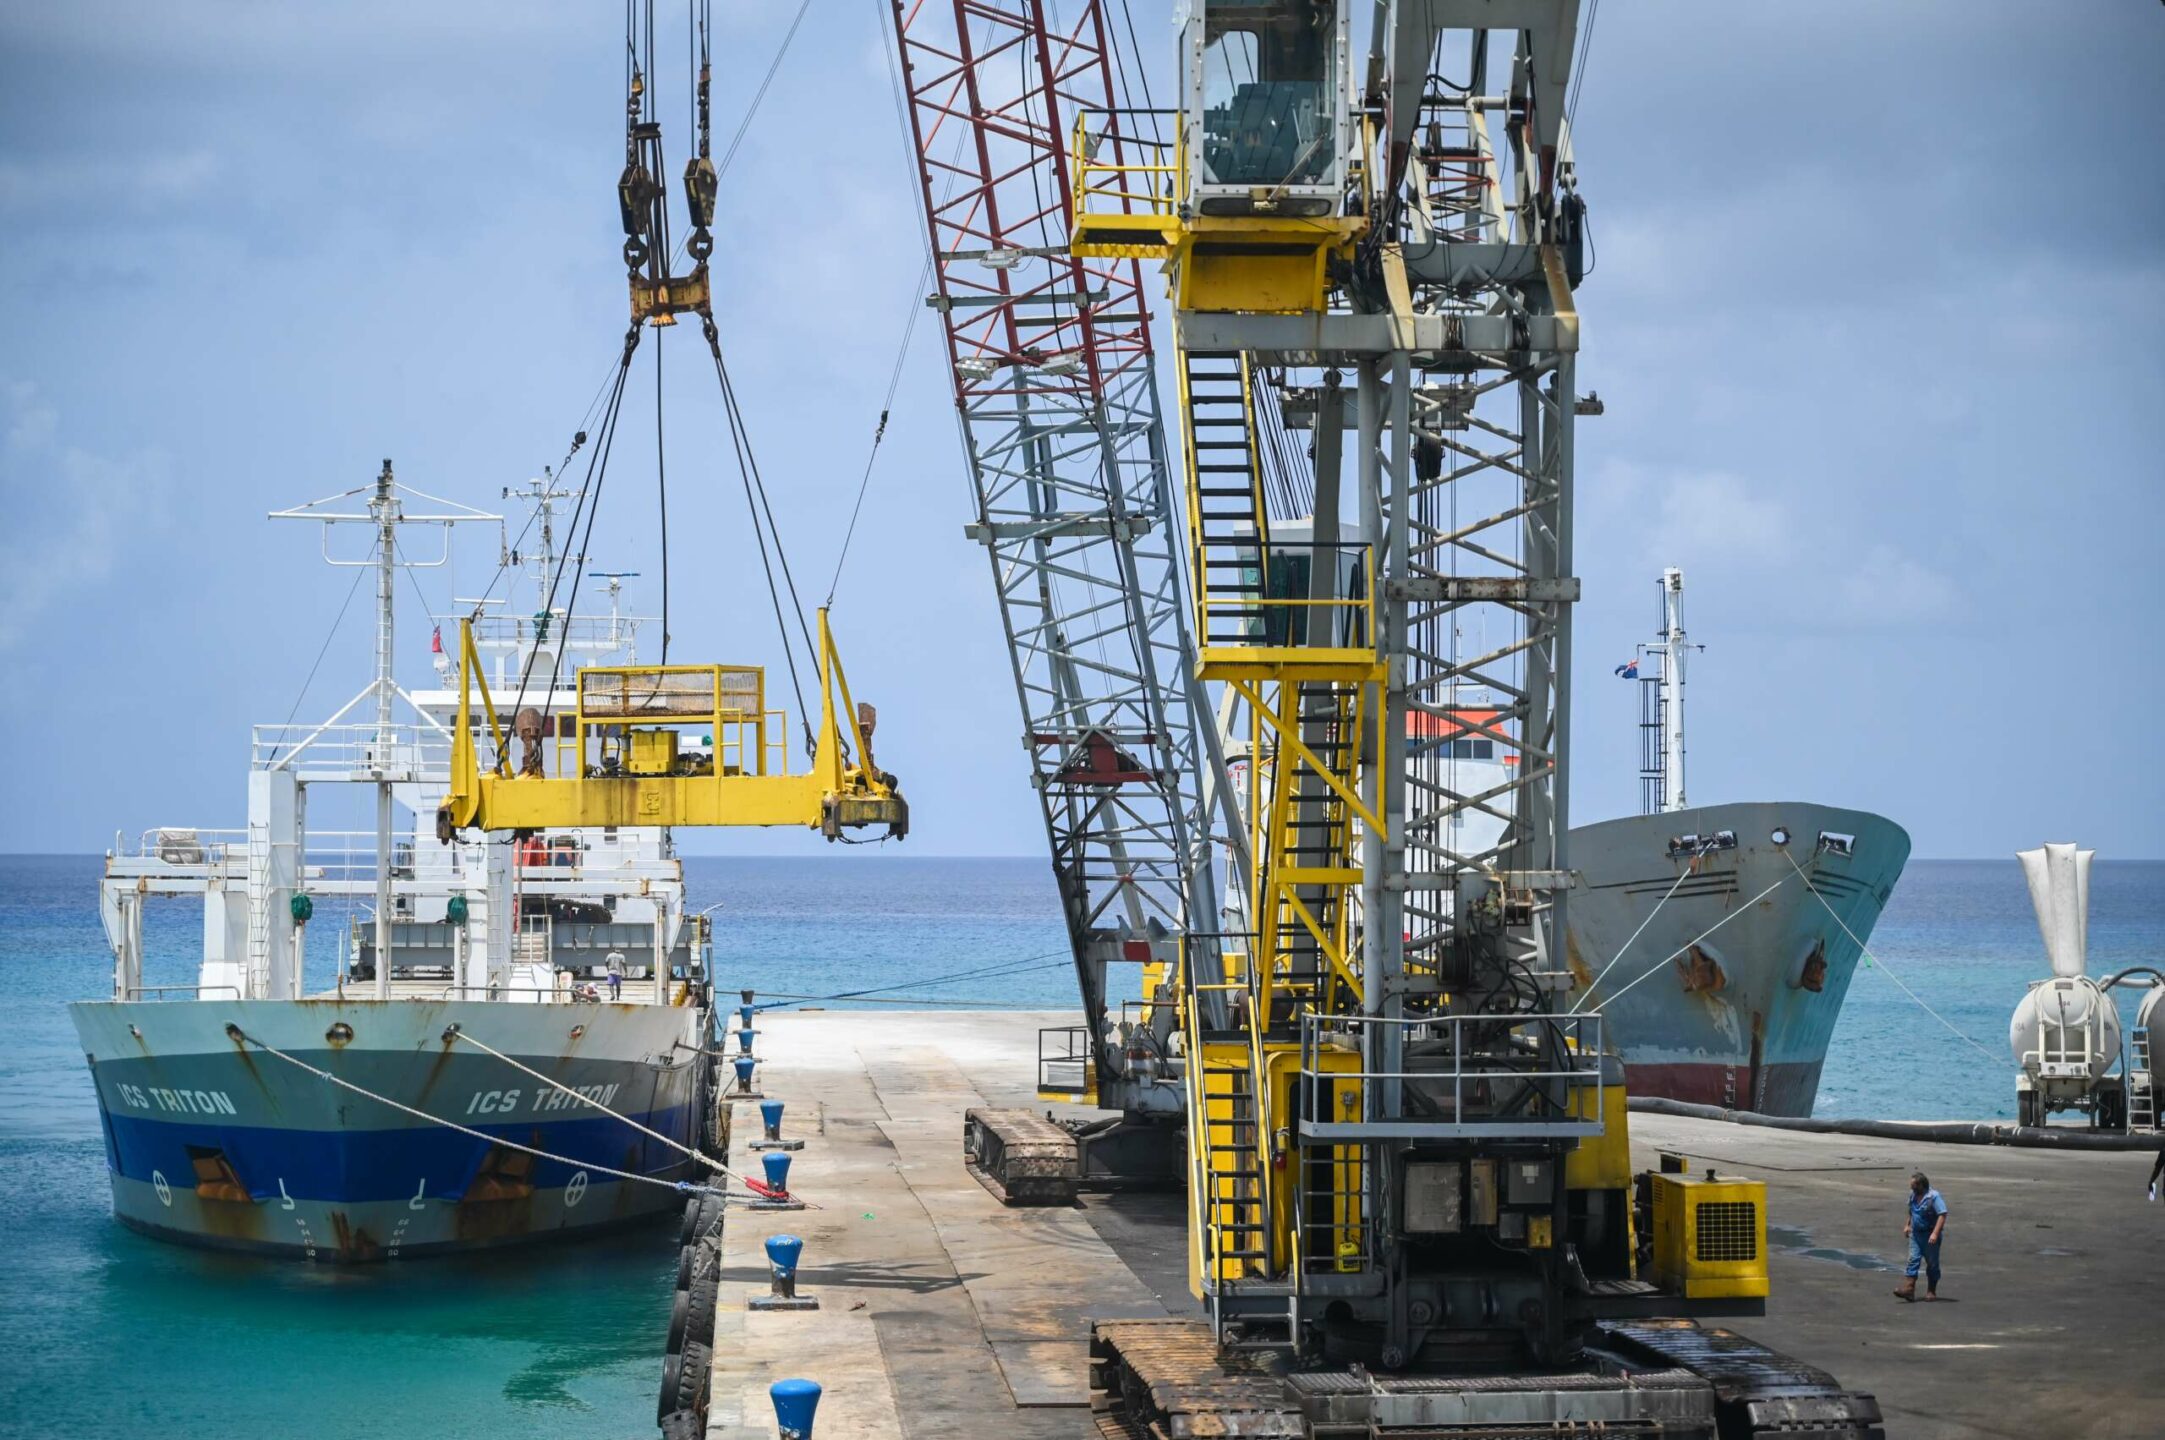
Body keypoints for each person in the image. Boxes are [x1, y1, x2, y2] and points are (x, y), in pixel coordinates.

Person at [1895, 1170, 1948, 1301]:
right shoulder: (1913, 1195)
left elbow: (1942, 1214)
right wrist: (1907, 1225)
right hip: (1916, 1234)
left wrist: (1935, 1233)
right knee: (1913, 1260)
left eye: (1913, 1186)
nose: (1911, 1188)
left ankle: (1931, 1291)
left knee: (1932, 1264)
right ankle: (1909, 1290)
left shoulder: (1933, 1197)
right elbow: (1911, 1210)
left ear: (1921, 1185)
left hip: (1929, 1235)